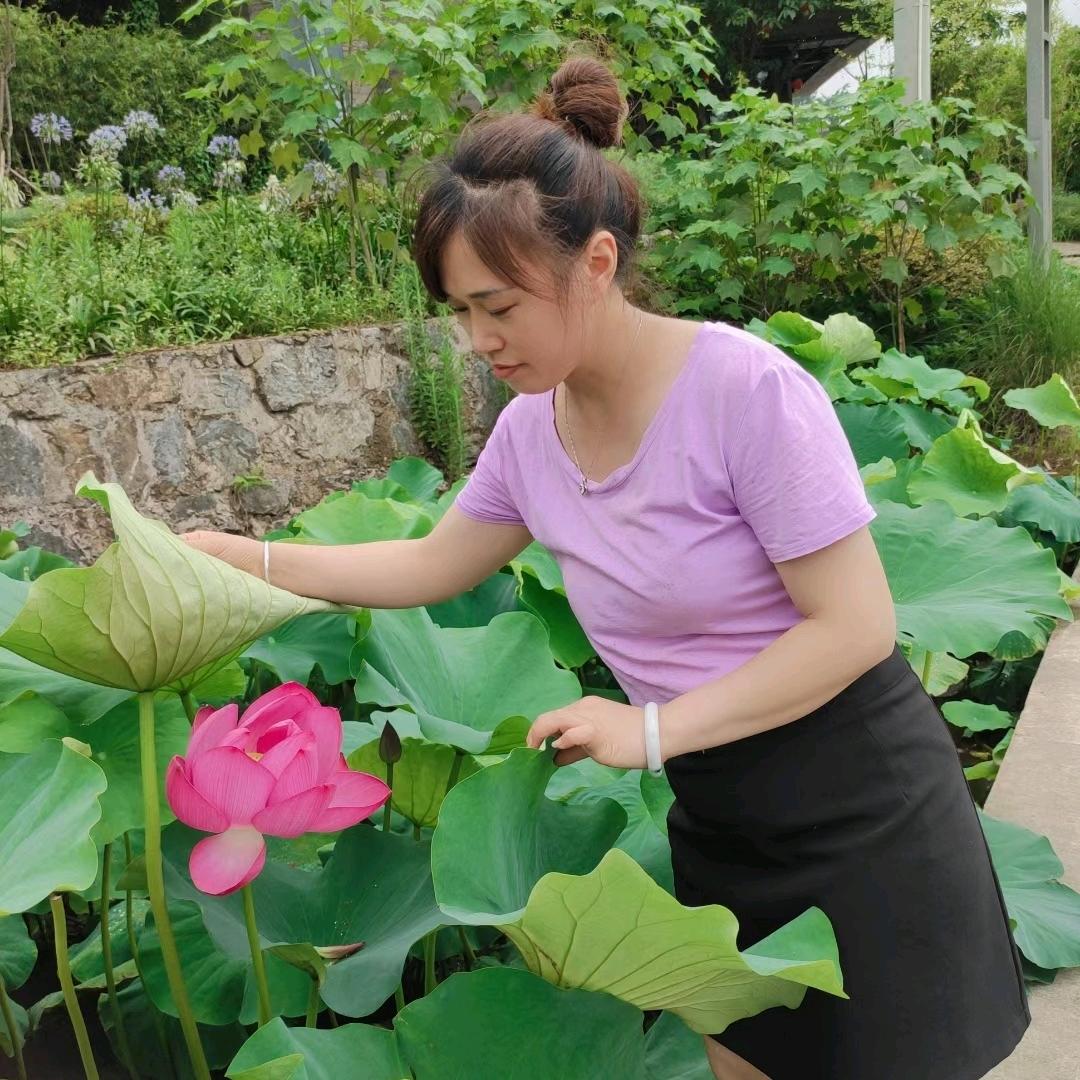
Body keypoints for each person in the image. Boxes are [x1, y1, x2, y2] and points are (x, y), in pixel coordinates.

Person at [182, 52, 1031, 1080]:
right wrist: (254, 558)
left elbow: (855, 628)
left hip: (863, 803)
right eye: (460, 311)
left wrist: (652, 728)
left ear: (595, 264)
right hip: (721, 812)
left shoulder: (744, 393)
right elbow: (434, 563)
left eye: (501, 306)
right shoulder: (532, 430)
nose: (479, 341)